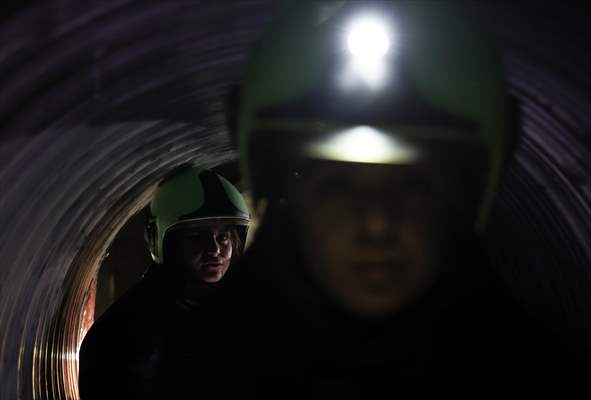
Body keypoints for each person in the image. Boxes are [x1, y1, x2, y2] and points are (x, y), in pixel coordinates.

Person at [185, 1, 588, 397]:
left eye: (414, 186)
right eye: (335, 186)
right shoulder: (200, 372)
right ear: (286, 197)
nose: (376, 224)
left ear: (462, 196)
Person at [78, 166, 250, 399]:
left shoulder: (242, 311)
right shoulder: (125, 334)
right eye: (195, 237)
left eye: (223, 237)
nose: (214, 250)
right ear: (164, 242)